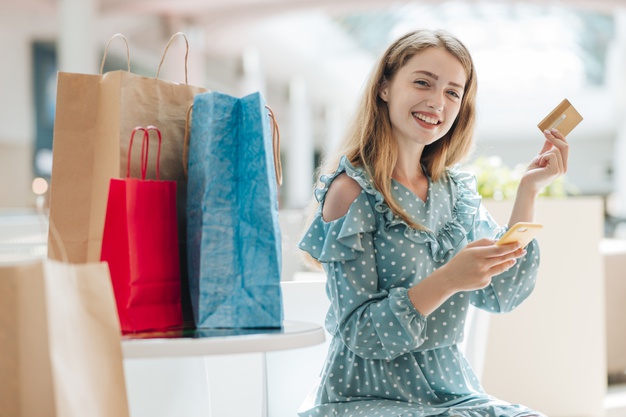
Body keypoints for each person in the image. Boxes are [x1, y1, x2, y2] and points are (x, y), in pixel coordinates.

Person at [297, 28, 568, 417]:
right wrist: (447, 279)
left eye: (452, 92)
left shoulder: (455, 193)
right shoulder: (352, 192)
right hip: (368, 396)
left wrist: (529, 191)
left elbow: (502, 293)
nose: (437, 102)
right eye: (423, 82)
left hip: (453, 391)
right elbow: (359, 333)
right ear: (385, 87)